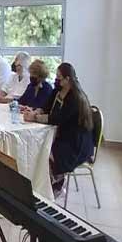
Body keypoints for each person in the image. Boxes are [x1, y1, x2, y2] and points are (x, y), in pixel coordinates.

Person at [22, 62, 95, 195]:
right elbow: (46, 107)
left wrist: (34, 118)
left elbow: (57, 118)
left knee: (44, 150)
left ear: (68, 79)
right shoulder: (58, 91)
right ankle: (40, 183)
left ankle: (53, 185)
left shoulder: (75, 98)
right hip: (62, 135)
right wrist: (36, 112)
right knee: (40, 146)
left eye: (59, 78)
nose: (56, 80)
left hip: (75, 143)